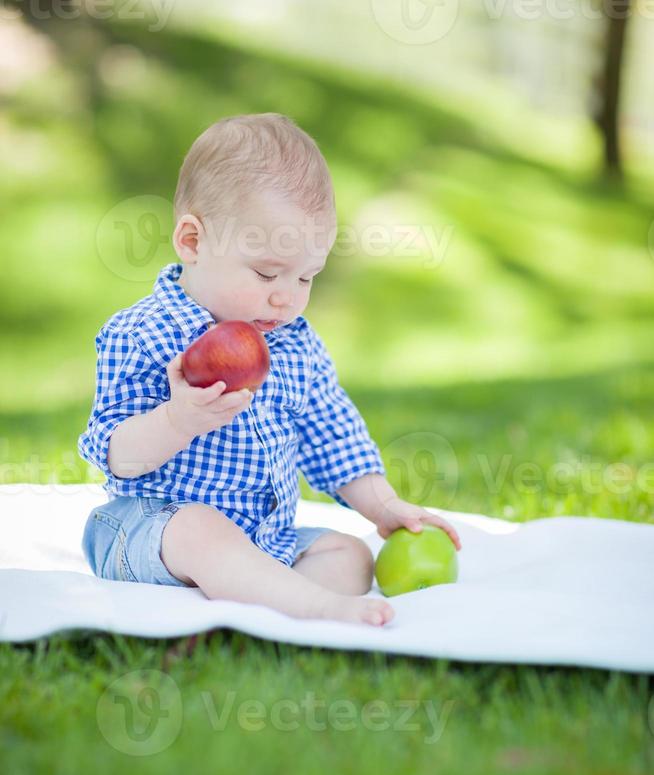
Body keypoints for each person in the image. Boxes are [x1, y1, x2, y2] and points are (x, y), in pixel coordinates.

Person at [78, 113, 460, 627]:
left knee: (351, 556)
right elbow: (116, 455)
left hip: (265, 541)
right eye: (265, 273)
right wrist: (177, 421)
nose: (286, 298)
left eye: (306, 277)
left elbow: (334, 436)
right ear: (192, 242)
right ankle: (311, 608)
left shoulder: (295, 346)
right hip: (152, 532)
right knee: (199, 529)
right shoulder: (143, 333)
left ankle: (266, 608)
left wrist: (385, 506)